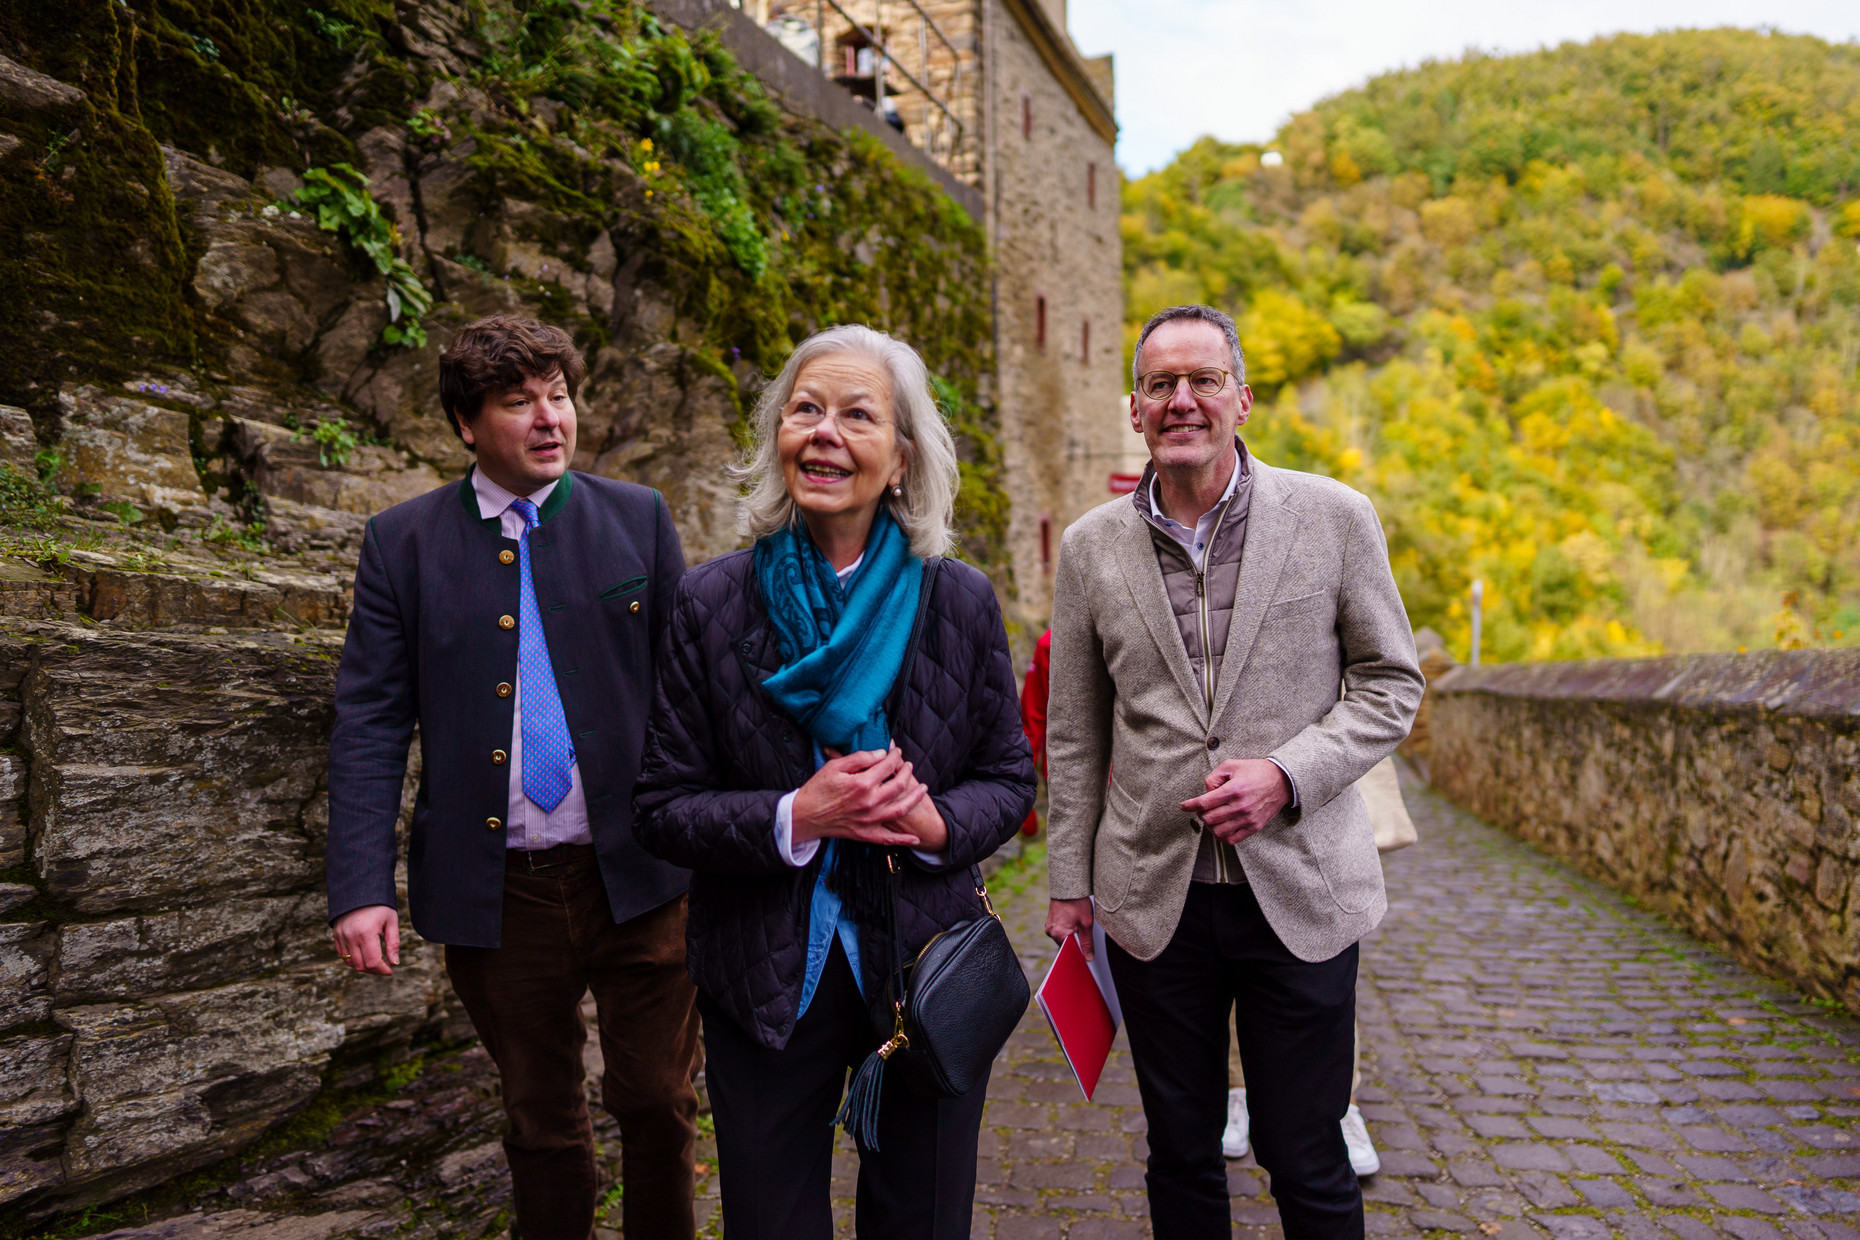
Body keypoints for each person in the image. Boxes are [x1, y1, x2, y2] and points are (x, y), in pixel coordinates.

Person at [633, 324, 1034, 1240]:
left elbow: (1009, 777)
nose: (824, 432)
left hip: (925, 965)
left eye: (858, 416)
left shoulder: (958, 598)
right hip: (767, 971)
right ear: (778, 438)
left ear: (900, 458)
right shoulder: (713, 600)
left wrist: (936, 822)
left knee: (921, 1223)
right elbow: (659, 805)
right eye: (804, 410)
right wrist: (794, 815)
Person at [1044, 304, 1425, 1240]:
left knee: (1306, 1153)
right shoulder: (1090, 547)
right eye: (1160, 383)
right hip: (1153, 898)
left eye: (1203, 380)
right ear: (1134, 408)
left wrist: (1287, 775)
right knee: (1179, 1152)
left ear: (1241, 398)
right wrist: (1067, 884)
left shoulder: (1336, 517)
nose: (1182, 400)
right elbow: (1075, 733)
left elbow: (1390, 685)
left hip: (1301, 889)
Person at [326, 316, 700, 1240]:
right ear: (465, 423)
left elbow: (691, 694)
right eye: (517, 401)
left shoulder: (638, 517)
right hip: (498, 893)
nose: (548, 419)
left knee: (656, 1100)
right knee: (541, 1122)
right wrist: (360, 889)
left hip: (641, 877)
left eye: (559, 395)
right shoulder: (401, 544)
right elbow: (370, 720)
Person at [1019, 627, 1052, 835]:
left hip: (1066, 773)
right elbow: (1031, 721)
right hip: (1067, 776)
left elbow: (1031, 722)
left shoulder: (1049, 641)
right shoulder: (1050, 643)